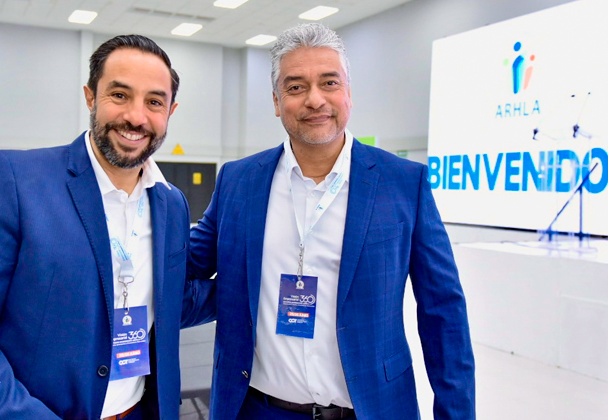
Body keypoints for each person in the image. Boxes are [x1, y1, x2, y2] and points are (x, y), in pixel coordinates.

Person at [0, 34, 213, 420]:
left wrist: (257, 285)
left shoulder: (171, 203)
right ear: (91, 97)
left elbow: (170, 300)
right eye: (119, 95)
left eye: (154, 102)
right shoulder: (15, 181)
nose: (136, 117)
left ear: (170, 111)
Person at [187, 23, 475, 420]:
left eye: (329, 83)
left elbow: (443, 312)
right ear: (276, 101)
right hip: (257, 409)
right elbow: (184, 272)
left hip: (370, 409)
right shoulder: (238, 181)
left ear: (348, 93)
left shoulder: (404, 183)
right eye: (296, 87)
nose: (315, 99)